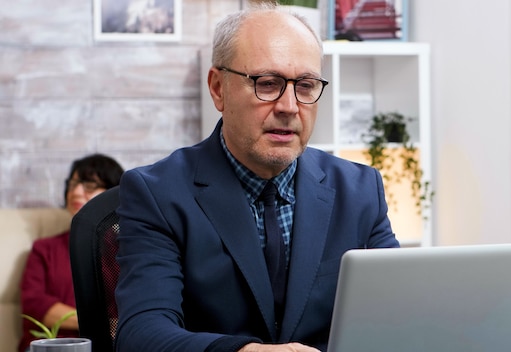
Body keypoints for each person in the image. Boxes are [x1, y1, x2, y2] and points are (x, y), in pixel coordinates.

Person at [114, 2, 400, 352]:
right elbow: (141, 333)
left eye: (306, 86)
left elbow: (397, 318)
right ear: (218, 88)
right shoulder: (157, 194)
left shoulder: (359, 191)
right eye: (267, 83)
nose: (289, 107)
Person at [18, 153, 124, 352]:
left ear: (111, 195)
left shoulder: (124, 252)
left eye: (89, 185)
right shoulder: (44, 249)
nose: (75, 192)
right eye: (73, 184)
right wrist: (99, 323)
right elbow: (35, 305)